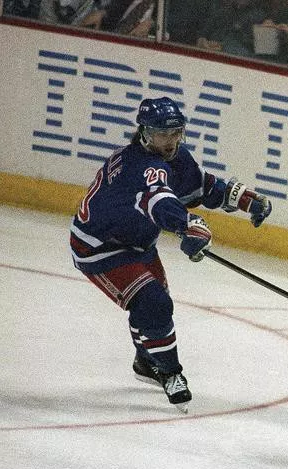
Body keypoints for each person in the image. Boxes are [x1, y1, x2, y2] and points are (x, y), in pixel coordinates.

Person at [69, 97, 272, 411]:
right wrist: (187, 225)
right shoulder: (138, 166)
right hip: (101, 247)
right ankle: (170, 372)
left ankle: (145, 360)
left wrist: (244, 199)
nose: (171, 140)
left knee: (151, 308)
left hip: (137, 241)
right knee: (154, 304)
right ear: (145, 132)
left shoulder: (176, 157)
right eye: (163, 134)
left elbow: (200, 187)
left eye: (177, 132)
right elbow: (160, 201)